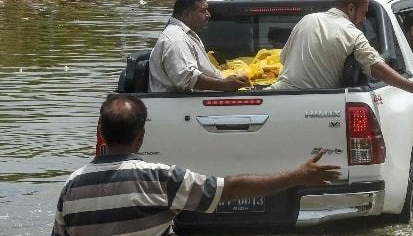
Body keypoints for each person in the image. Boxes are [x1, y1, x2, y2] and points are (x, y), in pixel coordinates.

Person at [51, 95, 340, 236]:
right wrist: (298, 175)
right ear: (140, 137)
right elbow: (231, 189)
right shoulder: (161, 180)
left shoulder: (72, 188)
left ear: (102, 133)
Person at [269, 0, 413, 98]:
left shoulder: (307, 20)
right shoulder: (352, 34)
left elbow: (284, 59)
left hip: (275, 95)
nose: (364, 20)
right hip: (318, 103)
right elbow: (377, 68)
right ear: (350, 8)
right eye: (363, 13)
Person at [149, 0, 249, 92]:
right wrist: (224, 85)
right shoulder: (177, 40)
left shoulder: (187, 35)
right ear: (187, 14)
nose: (208, 15)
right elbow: (187, 78)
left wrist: (230, 79)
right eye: (203, 11)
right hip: (182, 105)